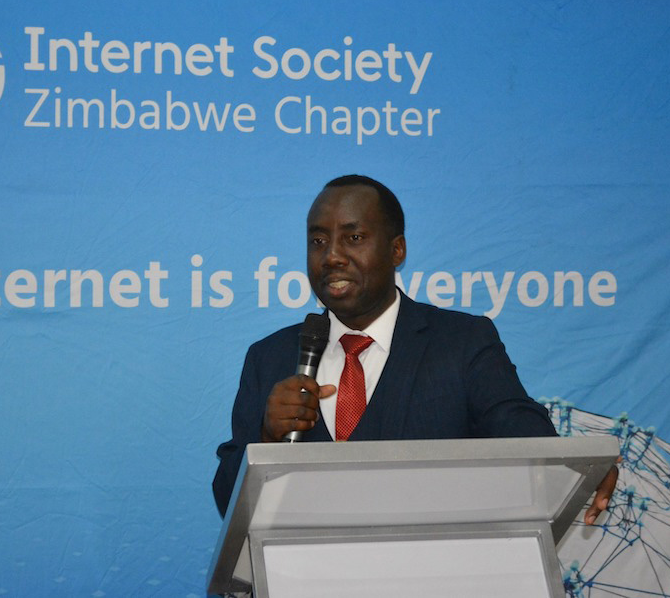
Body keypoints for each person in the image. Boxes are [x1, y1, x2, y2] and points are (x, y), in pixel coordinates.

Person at [212, 174, 617, 519]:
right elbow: (227, 501)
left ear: (397, 250)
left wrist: (578, 468)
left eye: (354, 237)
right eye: (318, 241)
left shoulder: (462, 342)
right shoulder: (270, 357)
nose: (331, 256)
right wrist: (266, 438)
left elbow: (519, 428)